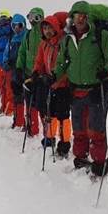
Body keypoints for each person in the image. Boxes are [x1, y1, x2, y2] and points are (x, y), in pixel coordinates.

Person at [53, 1, 108, 177]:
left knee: (96, 129)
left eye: (82, 16)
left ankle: (99, 162)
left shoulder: (100, 36)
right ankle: (80, 157)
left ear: (88, 17)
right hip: (75, 89)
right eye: (75, 16)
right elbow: (62, 63)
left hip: (96, 89)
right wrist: (53, 76)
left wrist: (106, 71)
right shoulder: (67, 39)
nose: (79, 20)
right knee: (78, 128)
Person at [32, 15, 72, 157]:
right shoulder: (44, 43)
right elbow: (39, 61)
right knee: (50, 113)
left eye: (49, 27)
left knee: (63, 116)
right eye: (44, 28)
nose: (47, 31)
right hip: (49, 83)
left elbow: (68, 64)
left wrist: (58, 79)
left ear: (56, 27)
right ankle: (50, 138)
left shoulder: (63, 42)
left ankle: (65, 142)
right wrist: (36, 73)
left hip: (63, 85)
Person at [16, 7, 45, 136]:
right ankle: (32, 128)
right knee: (29, 102)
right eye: (30, 17)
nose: (33, 21)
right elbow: (22, 52)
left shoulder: (45, 33)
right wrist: (19, 68)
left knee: (41, 103)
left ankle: (47, 131)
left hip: (42, 75)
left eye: (36, 17)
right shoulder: (28, 34)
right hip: (28, 73)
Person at [3, 14, 27, 129]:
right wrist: (6, 62)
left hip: (24, 71)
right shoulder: (12, 39)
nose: (17, 28)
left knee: (25, 96)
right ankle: (18, 120)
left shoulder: (27, 37)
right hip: (14, 70)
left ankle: (24, 121)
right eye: (14, 26)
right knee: (16, 94)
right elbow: (6, 52)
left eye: (19, 25)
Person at [0, 10, 14, 115]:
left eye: (4, 18)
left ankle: (10, 109)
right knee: (1, 87)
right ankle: (4, 106)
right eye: (1, 18)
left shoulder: (12, 29)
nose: (3, 20)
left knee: (9, 87)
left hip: (8, 63)